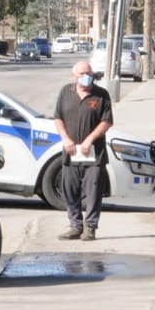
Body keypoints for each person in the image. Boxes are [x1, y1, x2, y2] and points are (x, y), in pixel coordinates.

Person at [52, 60, 114, 241]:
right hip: (71, 153)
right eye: (82, 74)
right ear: (74, 76)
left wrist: (90, 139)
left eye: (89, 73)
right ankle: (75, 225)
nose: (86, 77)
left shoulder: (101, 95)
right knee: (69, 189)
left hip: (94, 154)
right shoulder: (65, 92)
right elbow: (58, 118)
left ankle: (90, 227)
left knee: (93, 190)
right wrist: (65, 138)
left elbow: (107, 121)